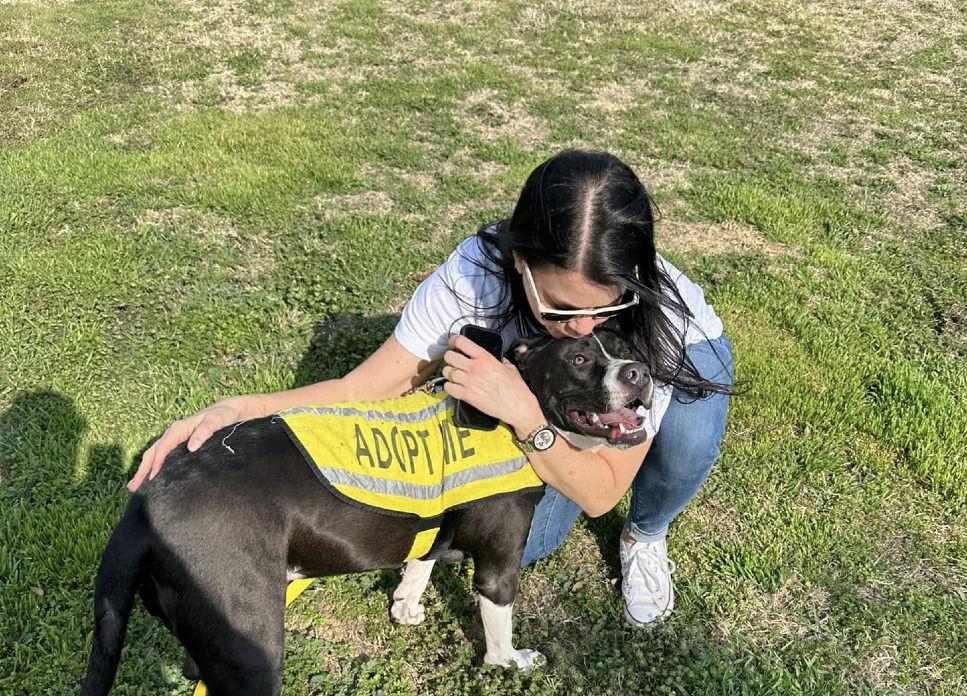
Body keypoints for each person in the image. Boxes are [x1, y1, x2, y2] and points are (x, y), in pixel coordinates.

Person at [128, 150, 734, 625]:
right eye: (561, 309)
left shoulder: (656, 316)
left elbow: (602, 494)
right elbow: (363, 389)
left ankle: (647, 535)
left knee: (686, 436)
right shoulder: (472, 277)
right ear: (520, 262)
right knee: (528, 542)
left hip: (667, 359)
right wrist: (243, 409)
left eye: (605, 309)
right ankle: (575, 431)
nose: (583, 326)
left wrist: (526, 417)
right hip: (558, 385)